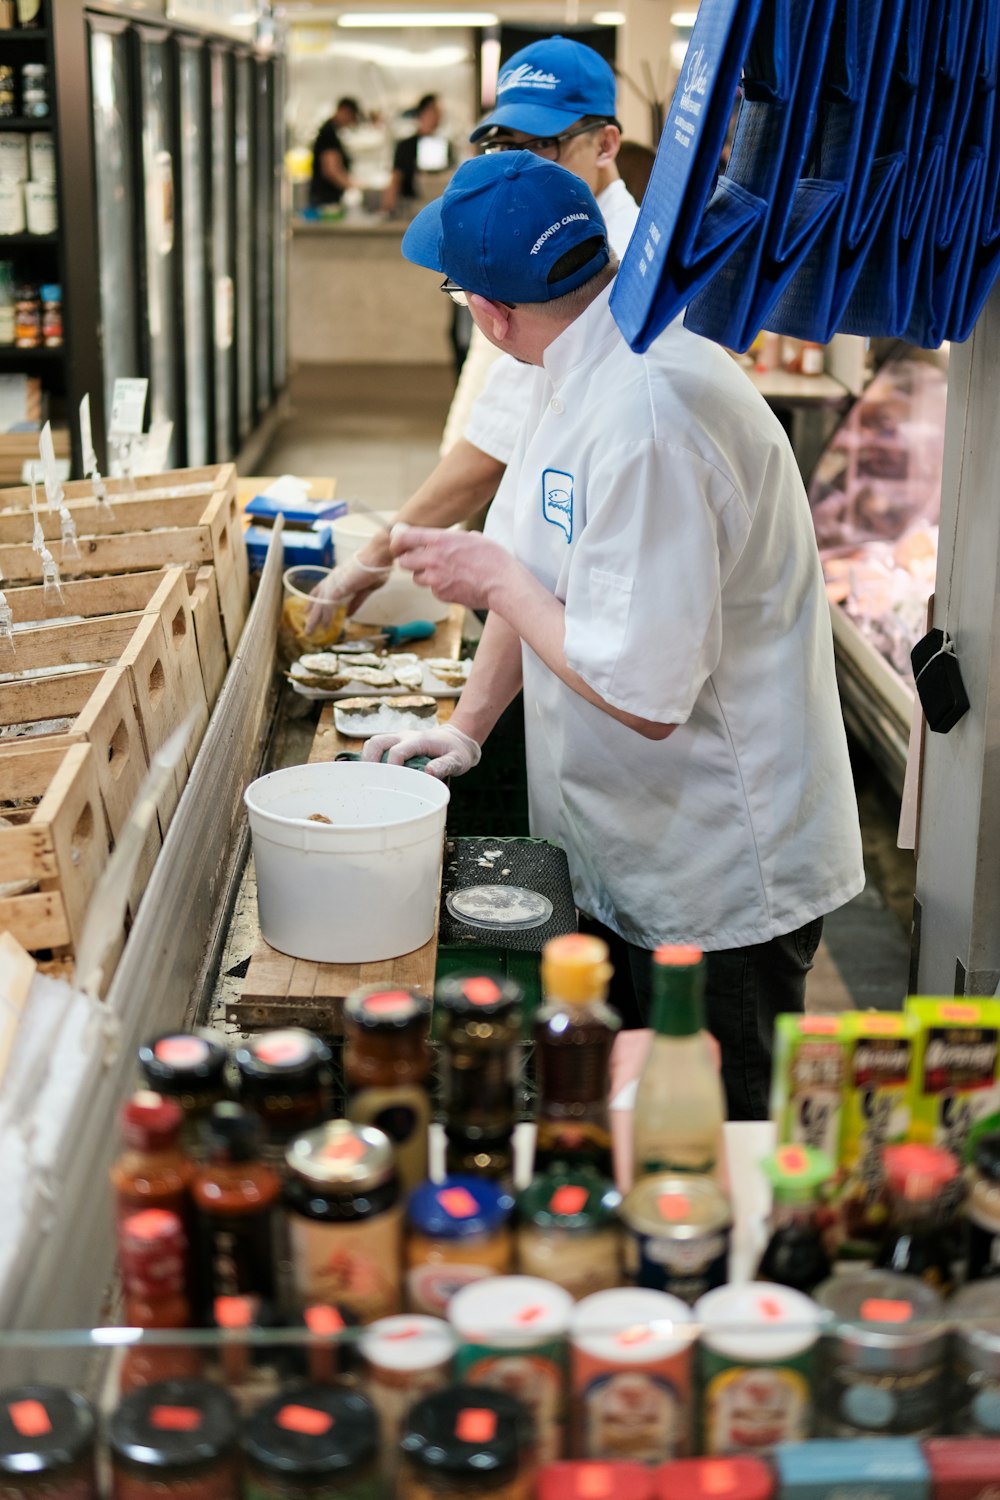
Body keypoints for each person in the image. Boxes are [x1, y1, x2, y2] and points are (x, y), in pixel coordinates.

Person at [359, 152, 866, 1120]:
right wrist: (468, 724)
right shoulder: (582, 358)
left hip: (716, 875)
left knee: (709, 1135)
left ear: (488, 311)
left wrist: (494, 577)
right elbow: (532, 561)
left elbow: (644, 695)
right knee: (632, 1121)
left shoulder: (648, 417)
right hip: (631, 844)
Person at [306, 38, 640, 624]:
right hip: (524, 520)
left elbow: (494, 446)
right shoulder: (543, 233)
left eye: (541, 145)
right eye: (500, 144)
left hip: (565, 558)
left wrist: (376, 556)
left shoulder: (596, 264)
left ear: (605, 143)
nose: (520, 167)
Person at [381, 94, 444, 216]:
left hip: (436, 208)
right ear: (423, 113)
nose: (439, 116)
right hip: (412, 210)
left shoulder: (443, 145)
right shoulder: (407, 146)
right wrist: (386, 208)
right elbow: (396, 179)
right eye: (435, 111)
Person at [308, 96, 361, 209]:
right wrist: (354, 187)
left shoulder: (331, 131)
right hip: (325, 199)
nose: (351, 122)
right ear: (345, 111)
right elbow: (331, 170)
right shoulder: (328, 133)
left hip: (324, 197)